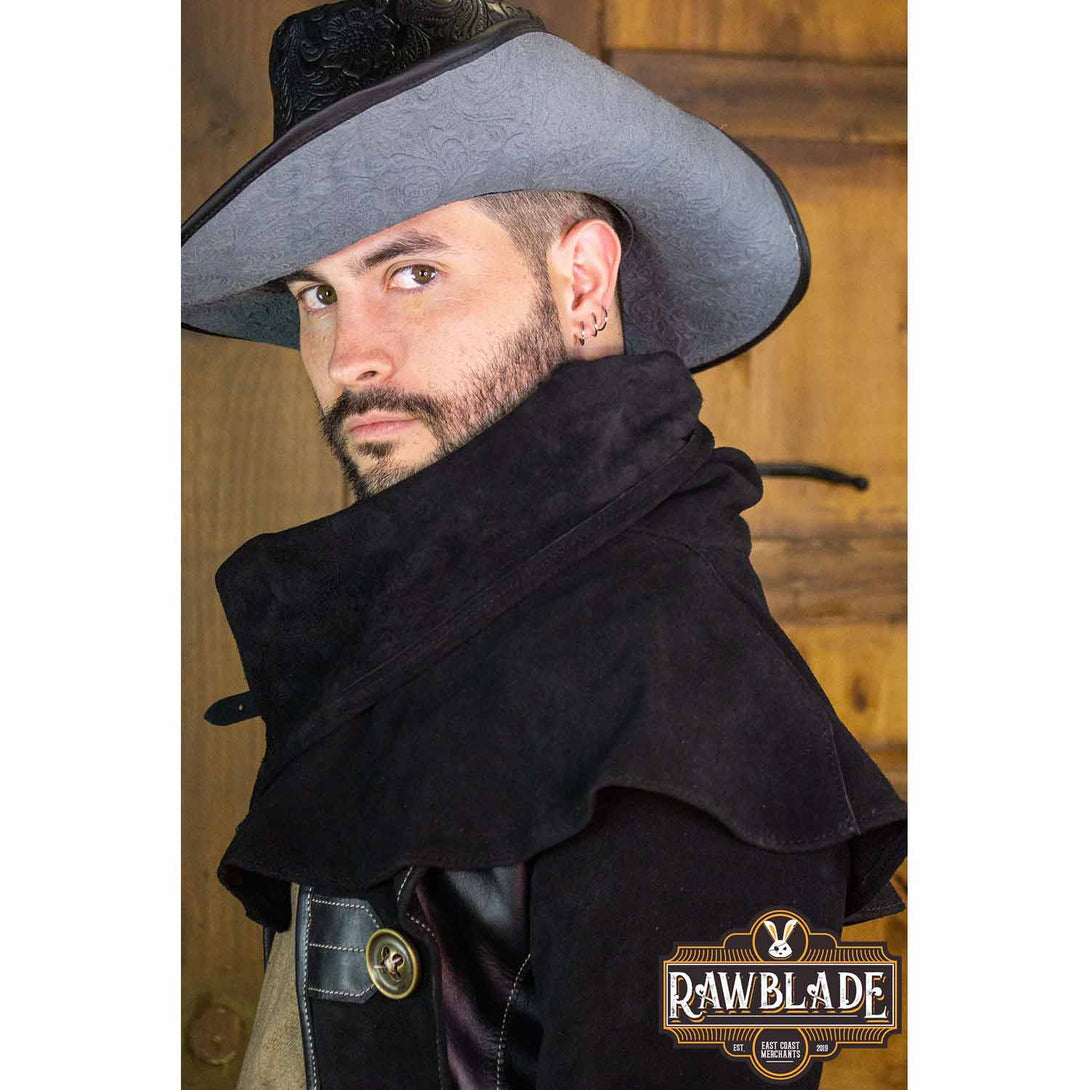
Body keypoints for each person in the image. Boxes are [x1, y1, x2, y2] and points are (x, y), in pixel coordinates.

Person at [182, 3, 907, 1088]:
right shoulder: (434, 617)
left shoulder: (685, 688)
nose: (346, 357)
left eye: (412, 273)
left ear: (580, 285)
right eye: (317, 294)